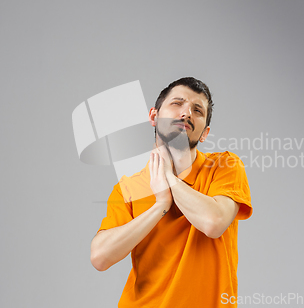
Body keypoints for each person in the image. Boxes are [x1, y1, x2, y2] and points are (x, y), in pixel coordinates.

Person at [90, 77, 253, 307]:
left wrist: (168, 179)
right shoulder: (128, 188)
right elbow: (100, 257)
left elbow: (214, 223)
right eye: (177, 103)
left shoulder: (225, 166)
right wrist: (160, 206)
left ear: (205, 133)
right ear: (154, 116)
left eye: (197, 110)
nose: (186, 113)